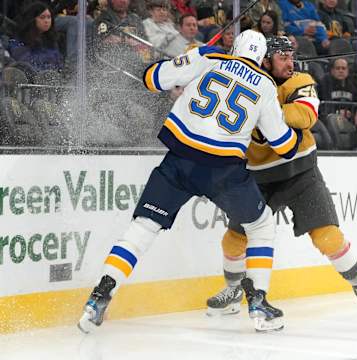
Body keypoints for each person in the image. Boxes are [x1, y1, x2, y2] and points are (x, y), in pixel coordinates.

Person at [78, 30, 302, 334]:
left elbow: (151, 79)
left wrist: (193, 55)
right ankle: (259, 304)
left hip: (180, 160)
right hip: (223, 170)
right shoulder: (264, 84)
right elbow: (284, 146)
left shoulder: (208, 57)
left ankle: (98, 297)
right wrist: (296, 132)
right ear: (262, 58)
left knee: (143, 227)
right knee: (261, 226)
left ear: (234, 47)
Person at [206, 36, 357, 321]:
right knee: (233, 240)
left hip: (301, 172)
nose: (290, 63)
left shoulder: (301, 80)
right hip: (258, 179)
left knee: (328, 237)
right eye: (282, 58)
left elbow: (304, 115)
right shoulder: (243, 84)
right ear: (265, 61)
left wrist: (257, 108)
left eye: (291, 56)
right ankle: (233, 290)